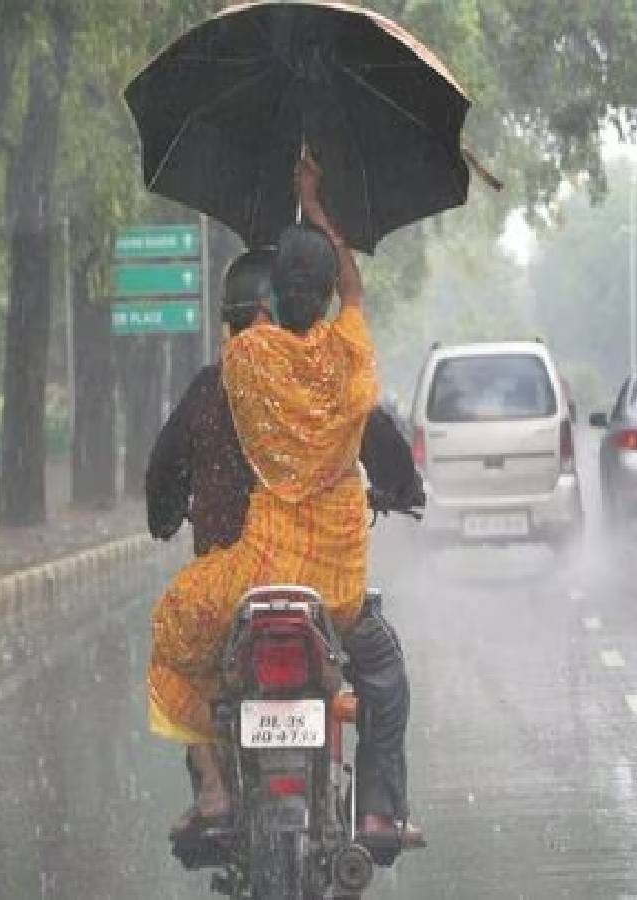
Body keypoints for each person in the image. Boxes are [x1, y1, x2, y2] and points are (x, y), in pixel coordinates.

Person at [147, 153, 424, 848]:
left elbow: (262, 327)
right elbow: (354, 299)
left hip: (260, 573)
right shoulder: (349, 359)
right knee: (384, 678)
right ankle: (379, 812)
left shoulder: (249, 363)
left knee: (177, 632)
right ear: (329, 295)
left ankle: (213, 787)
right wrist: (318, 208)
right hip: (334, 591)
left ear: (264, 306)